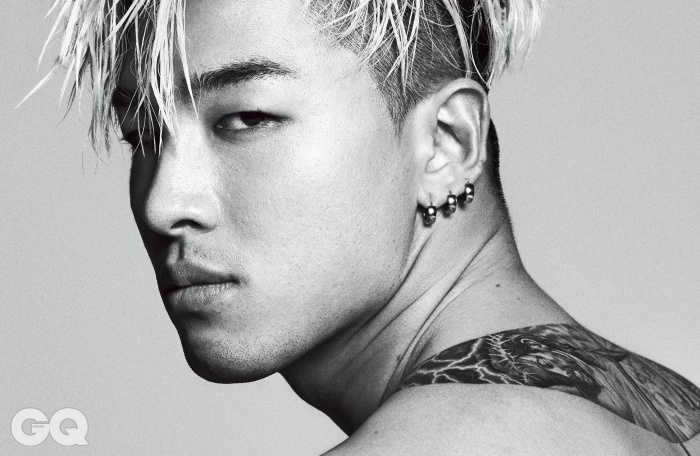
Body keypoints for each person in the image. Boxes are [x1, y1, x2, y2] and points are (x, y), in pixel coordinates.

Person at [38, 0, 699, 454]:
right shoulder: (670, 419)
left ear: (446, 143)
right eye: (141, 135)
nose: (163, 204)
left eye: (247, 118)